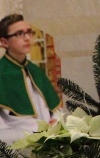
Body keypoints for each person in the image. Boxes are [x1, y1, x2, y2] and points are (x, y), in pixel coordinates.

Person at [0, 14, 61, 145]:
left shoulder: (35, 71)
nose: (27, 38)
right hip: (17, 143)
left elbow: (54, 108)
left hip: (47, 139)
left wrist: (55, 121)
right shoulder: (1, 73)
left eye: (29, 32)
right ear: (4, 42)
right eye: (19, 33)